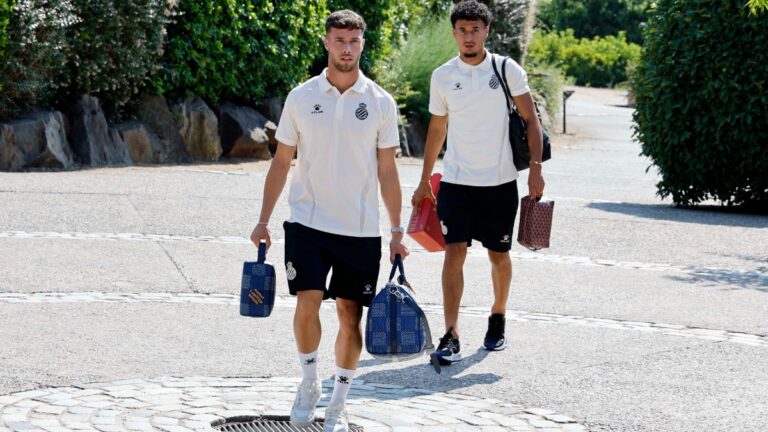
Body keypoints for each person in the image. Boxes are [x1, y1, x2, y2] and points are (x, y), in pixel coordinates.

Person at [249, 9, 408, 432]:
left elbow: (388, 171)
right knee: (306, 302)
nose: (346, 48)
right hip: (307, 222)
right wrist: (263, 219)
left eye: (354, 41)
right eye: (339, 40)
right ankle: (308, 383)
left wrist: (396, 231)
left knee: (349, 316)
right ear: (325, 43)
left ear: (362, 44)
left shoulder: (379, 102)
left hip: (358, 229)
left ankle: (338, 403)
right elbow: (283, 161)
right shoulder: (302, 97)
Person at [411, 0, 545, 365]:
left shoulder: (505, 69)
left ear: (487, 31)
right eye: (462, 30)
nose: (468, 36)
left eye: (475, 30)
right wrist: (425, 180)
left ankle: (498, 316)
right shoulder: (442, 75)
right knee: (454, 253)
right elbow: (437, 129)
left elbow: (531, 119)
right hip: (456, 182)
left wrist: (535, 168)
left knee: (498, 255)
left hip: (500, 182)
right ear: (454, 33)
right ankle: (451, 333)